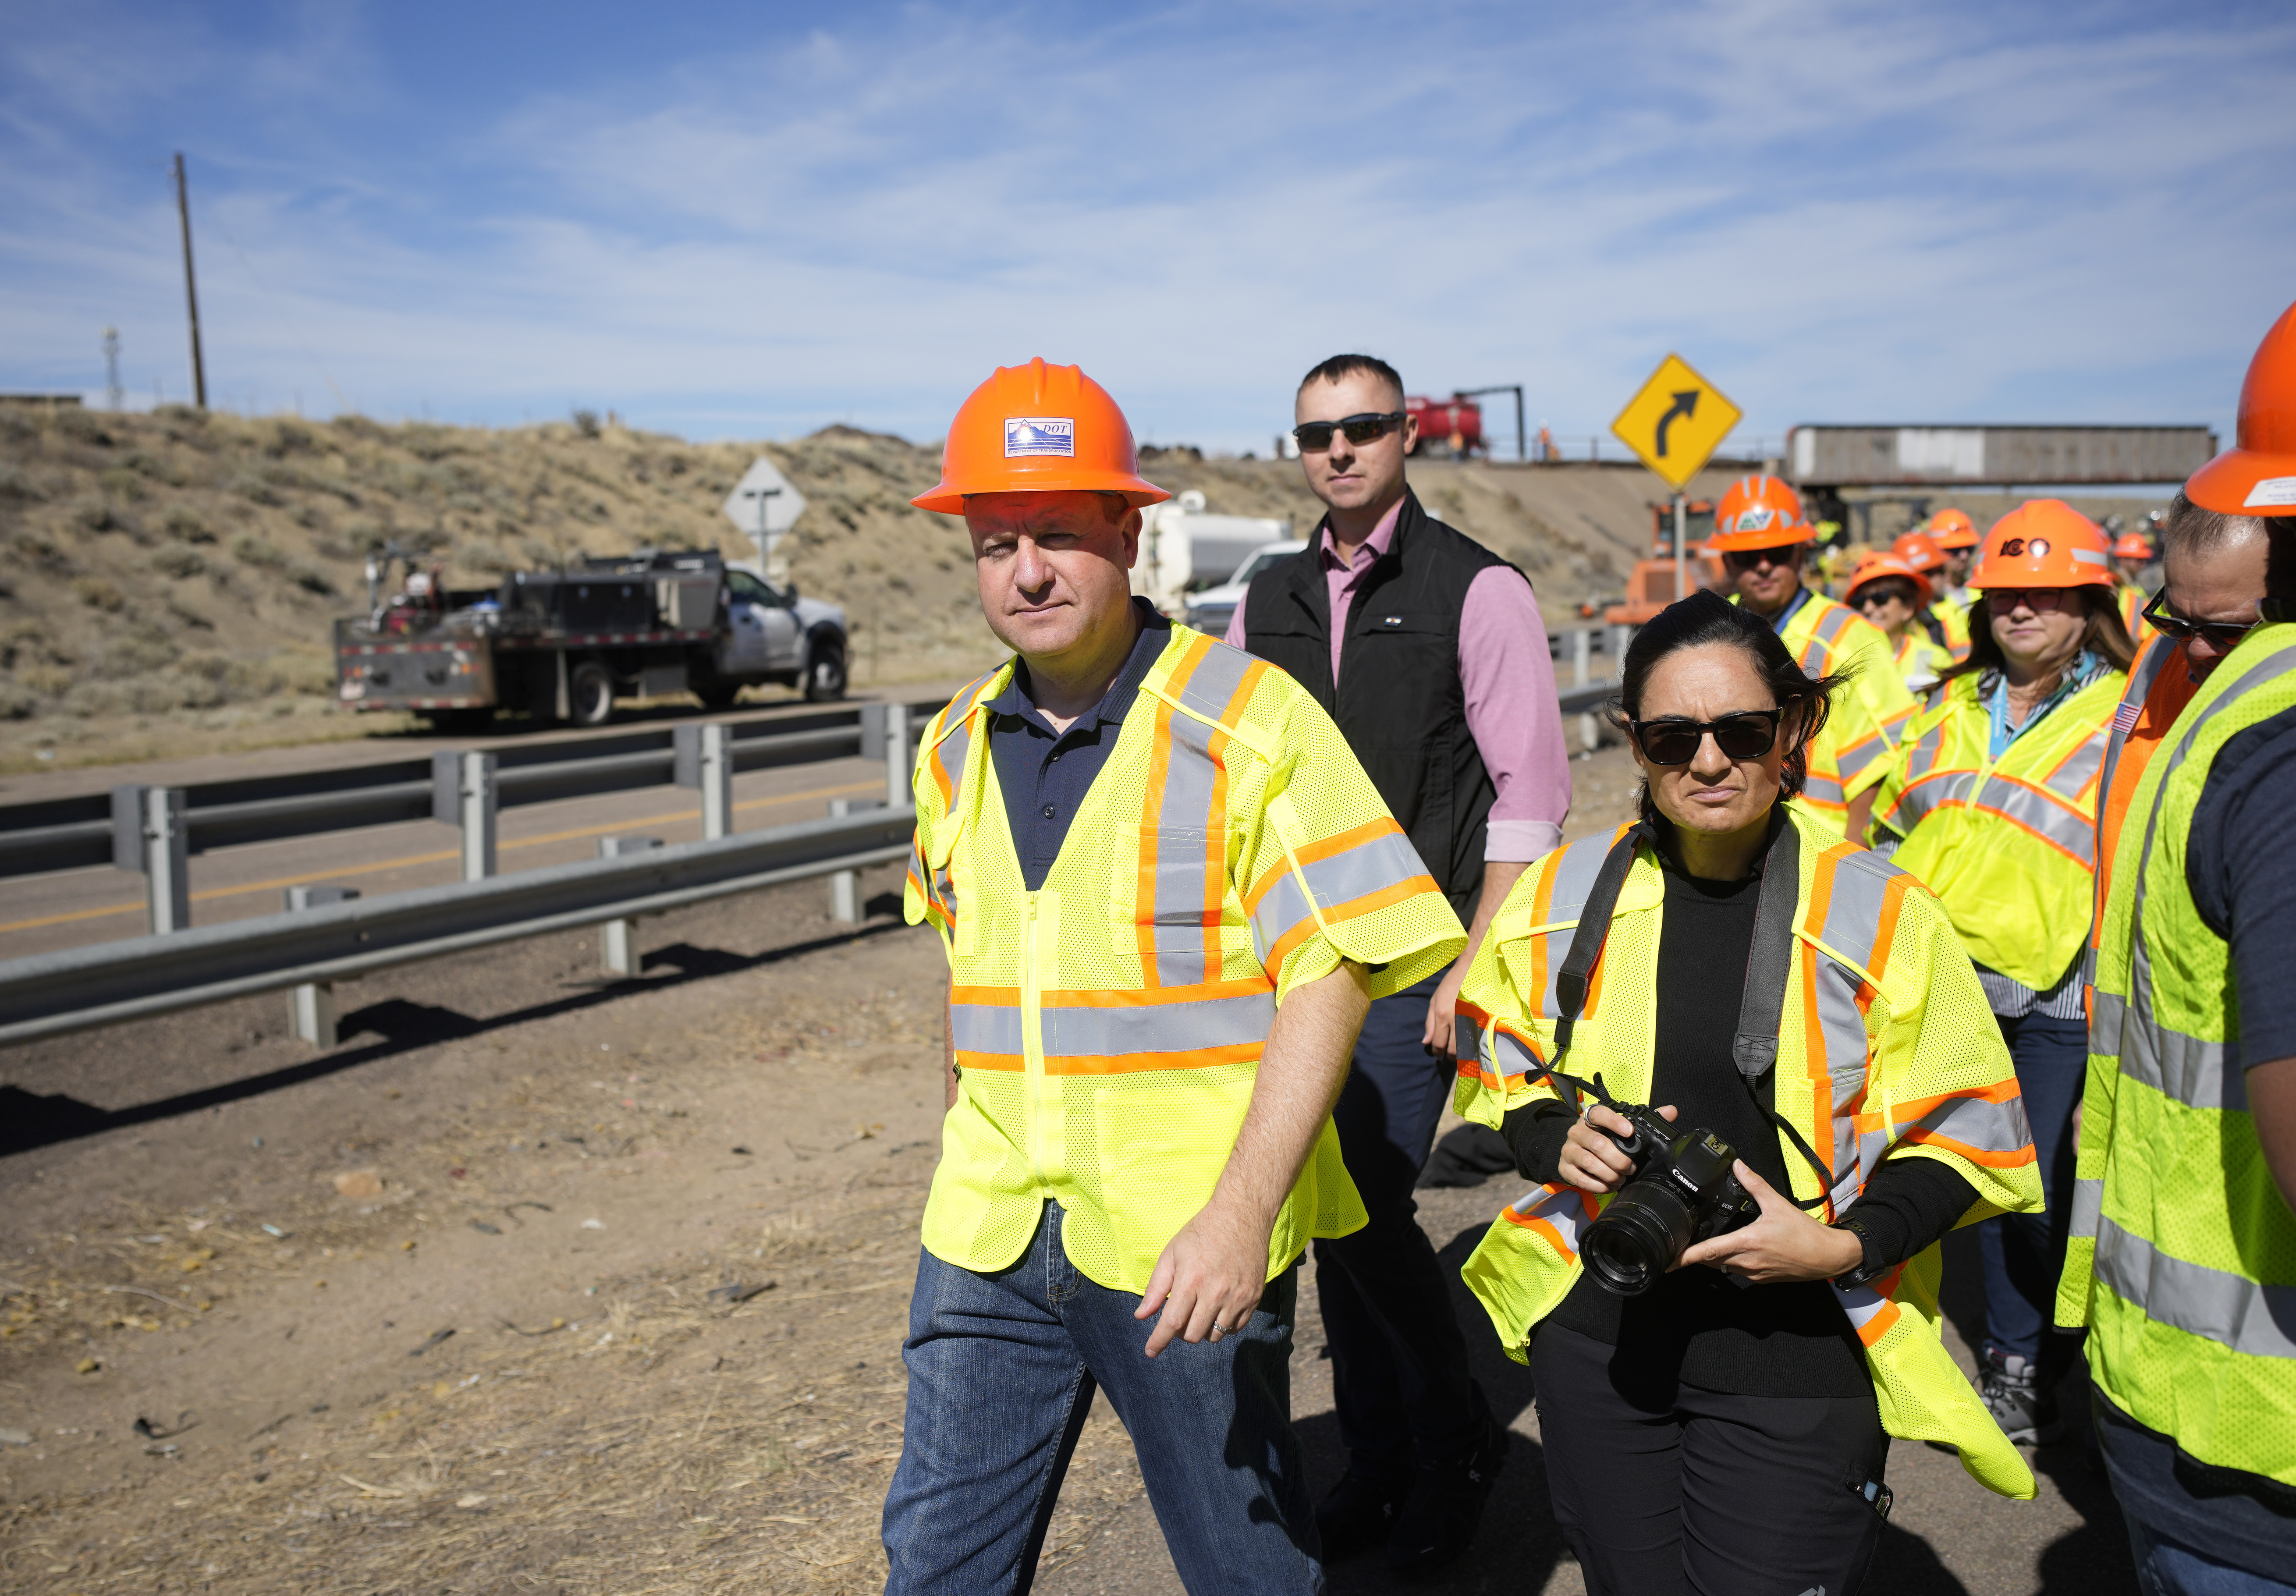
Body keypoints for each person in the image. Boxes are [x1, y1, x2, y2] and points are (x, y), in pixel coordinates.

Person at [882, 358, 1466, 1595]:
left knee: (1244, 1572)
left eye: (1055, 535)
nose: (1025, 571)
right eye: (996, 544)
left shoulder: (1248, 720)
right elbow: (969, 981)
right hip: (985, 1235)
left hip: (1181, 1242)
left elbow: (1334, 967)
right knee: (934, 1569)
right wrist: (956, 1144)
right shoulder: (944, 749)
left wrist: (1240, 1217)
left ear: (1128, 534)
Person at [1451, 590, 2043, 1596]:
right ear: (1632, 743)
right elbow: (1493, 1049)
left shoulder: (1878, 906)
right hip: (1604, 1338)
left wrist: (1844, 1245)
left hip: (1795, 1357)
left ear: (1794, 730)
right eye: (1674, 736)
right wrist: (1549, 1135)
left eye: (1742, 730)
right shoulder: (1564, 890)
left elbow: (1971, 1132)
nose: (1710, 760)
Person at [1223, 352, 1569, 1569]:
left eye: (1361, 427)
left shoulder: (1477, 590)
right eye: (1315, 431)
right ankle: (1375, 1460)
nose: (1338, 450)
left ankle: (1457, 1434)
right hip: (1293, 966)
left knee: (1361, 1201)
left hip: (1415, 967)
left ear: (1406, 433)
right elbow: (1228, 779)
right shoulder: (1260, 594)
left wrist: (1476, 968)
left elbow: (1528, 798)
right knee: (1326, 1219)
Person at [2058, 300, 2296, 1594]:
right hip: (2247, 1447)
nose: (2196, 654)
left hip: (2194, 1397)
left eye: (2225, 627)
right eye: (2181, 624)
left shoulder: (2217, 720)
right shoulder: (2265, 738)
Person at [1865, 501, 2135, 1444]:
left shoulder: (2130, 712)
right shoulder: (1949, 705)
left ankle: (2084, 1352)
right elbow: (1896, 824)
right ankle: (2017, 1365)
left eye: (2046, 593)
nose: (2021, 610)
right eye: (2005, 595)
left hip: (2066, 993)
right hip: (1955, 984)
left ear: (2089, 600)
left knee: (2058, 1193)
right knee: (1986, 1177)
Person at [1707, 474, 1918, 840]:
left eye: (1777, 553)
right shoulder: (1717, 637)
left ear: (1801, 554)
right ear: (1727, 562)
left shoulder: (1846, 633)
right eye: (1746, 556)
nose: (1762, 566)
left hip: (1823, 844)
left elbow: (1880, 759)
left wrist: (1855, 864)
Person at [1847, 549, 1955, 693]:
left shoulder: (1937, 660)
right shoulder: (1845, 661)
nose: (1868, 608)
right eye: (1859, 602)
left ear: (1908, 608)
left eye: (1880, 598)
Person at [1924, 511, 1982, 659]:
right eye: (1955, 550)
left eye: (1969, 549)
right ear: (1936, 551)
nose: (1964, 556)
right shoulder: (1928, 600)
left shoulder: (1981, 591)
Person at [2108, 531, 2158, 644]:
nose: (2144, 564)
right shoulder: (2116, 588)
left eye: (2144, 560)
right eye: (2139, 560)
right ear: (2123, 560)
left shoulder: (2133, 587)